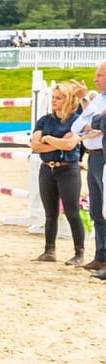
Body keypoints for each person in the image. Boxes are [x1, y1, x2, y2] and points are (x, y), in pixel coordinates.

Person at [30, 80, 86, 264]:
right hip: (47, 168)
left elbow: (70, 145)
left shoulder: (76, 120)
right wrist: (57, 141)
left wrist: (48, 139)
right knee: (50, 212)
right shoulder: (45, 120)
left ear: (68, 100)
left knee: (72, 211)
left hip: (68, 169)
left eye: (59, 98)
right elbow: (36, 146)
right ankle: (49, 250)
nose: (54, 101)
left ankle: (79, 253)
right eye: (53, 98)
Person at [71, 64, 106, 270]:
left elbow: (97, 123)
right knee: (96, 209)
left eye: (100, 75)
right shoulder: (99, 99)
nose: (96, 79)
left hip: (103, 156)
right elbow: (80, 126)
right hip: (93, 156)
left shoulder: (95, 100)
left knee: (104, 207)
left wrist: (85, 101)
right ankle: (101, 254)